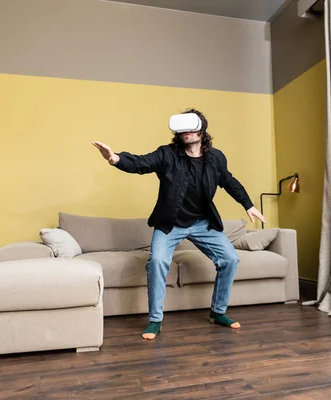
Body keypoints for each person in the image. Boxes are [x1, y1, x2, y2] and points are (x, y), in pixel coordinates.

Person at [92, 109, 266, 340]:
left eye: (191, 126)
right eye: (182, 128)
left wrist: (248, 204)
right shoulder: (167, 154)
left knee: (230, 258)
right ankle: (155, 320)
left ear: (202, 130)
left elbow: (229, 181)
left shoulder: (216, 158)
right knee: (157, 261)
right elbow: (142, 163)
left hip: (203, 223)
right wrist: (115, 159)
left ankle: (218, 312)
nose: (187, 131)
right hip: (170, 224)